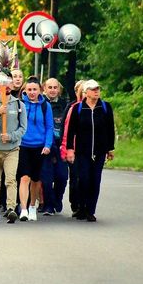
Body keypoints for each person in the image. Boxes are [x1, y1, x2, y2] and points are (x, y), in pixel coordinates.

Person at [66, 80, 115, 222]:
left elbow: (110, 129)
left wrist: (110, 148)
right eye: (93, 89)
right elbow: (71, 131)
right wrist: (70, 149)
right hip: (82, 151)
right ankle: (81, 207)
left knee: (95, 180)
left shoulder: (105, 107)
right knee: (84, 179)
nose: (96, 92)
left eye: (98, 89)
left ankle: (90, 210)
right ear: (86, 92)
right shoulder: (78, 108)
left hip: (99, 151)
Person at [0, 71, 27, 223]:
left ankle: (11, 208)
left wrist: (11, 136)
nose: (5, 85)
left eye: (8, 81)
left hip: (11, 149)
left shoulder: (19, 104)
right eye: (2, 82)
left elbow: (23, 128)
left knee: (10, 180)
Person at [18, 76, 54, 222]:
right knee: (24, 177)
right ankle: (24, 208)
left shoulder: (46, 106)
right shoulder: (20, 104)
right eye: (29, 90)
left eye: (35, 89)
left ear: (40, 90)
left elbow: (49, 126)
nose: (32, 92)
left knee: (36, 179)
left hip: (39, 147)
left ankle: (33, 205)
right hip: (23, 146)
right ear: (25, 90)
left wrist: (48, 145)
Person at [41, 78, 69, 215]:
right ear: (44, 89)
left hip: (61, 145)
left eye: (55, 87)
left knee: (62, 176)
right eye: (49, 87)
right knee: (46, 179)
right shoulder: (41, 104)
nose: (52, 90)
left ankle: (57, 198)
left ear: (59, 89)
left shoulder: (65, 105)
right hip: (45, 146)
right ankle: (48, 205)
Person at [60, 80, 86, 215]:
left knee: (86, 178)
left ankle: (85, 205)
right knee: (75, 177)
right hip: (73, 149)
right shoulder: (73, 108)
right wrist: (65, 149)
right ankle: (76, 204)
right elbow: (66, 130)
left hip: (88, 150)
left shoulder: (99, 108)